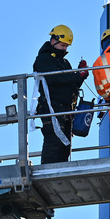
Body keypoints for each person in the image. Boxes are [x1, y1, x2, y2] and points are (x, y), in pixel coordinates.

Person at [33, 25, 88, 164]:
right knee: (54, 145)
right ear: (53, 41)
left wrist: (80, 75)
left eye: (66, 46)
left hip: (65, 112)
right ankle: (47, 176)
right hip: (52, 110)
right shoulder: (43, 59)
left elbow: (70, 85)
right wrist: (76, 75)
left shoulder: (64, 62)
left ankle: (60, 177)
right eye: (63, 45)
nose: (65, 49)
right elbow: (54, 78)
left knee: (64, 148)